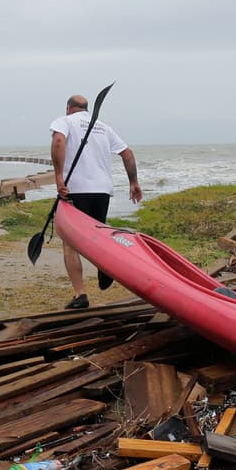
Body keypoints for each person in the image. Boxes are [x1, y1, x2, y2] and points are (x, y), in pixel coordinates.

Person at [50, 94, 142, 309]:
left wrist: (58, 177)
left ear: (68, 108)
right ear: (86, 109)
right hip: (102, 191)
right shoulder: (102, 126)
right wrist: (133, 182)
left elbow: (58, 141)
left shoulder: (64, 121)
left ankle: (80, 295)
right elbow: (127, 153)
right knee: (97, 236)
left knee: (70, 242)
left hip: (76, 189)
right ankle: (105, 267)